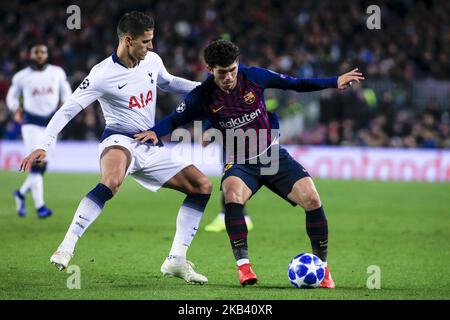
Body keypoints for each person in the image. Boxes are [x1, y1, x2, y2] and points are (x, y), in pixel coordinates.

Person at [139, 39, 364, 288]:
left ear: (238, 64)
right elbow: (174, 120)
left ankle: (322, 268)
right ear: (210, 69)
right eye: (222, 72)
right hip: (239, 163)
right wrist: (154, 132)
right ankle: (244, 267)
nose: (228, 77)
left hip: (271, 155)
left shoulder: (254, 76)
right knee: (232, 194)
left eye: (232, 70)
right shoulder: (201, 96)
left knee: (312, 198)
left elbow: (295, 84)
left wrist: (334, 81)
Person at [20, 11, 212, 284]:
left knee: (202, 185)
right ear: (128, 40)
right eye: (146, 42)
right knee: (111, 181)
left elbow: (168, 83)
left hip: (149, 142)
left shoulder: (152, 61)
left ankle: (176, 260)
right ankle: (67, 246)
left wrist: (206, 89)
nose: (152, 47)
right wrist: (43, 145)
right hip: (118, 139)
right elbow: (69, 108)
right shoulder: (102, 74)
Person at [6, 43, 72, 218]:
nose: (40, 55)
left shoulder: (57, 73)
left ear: (47, 54)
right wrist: (15, 109)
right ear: (31, 55)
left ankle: (20, 194)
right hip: (31, 123)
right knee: (37, 164)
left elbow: (66, 93)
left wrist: (65, 106)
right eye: (36, 52)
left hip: (51, 124)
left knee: (43, 166)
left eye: (43, 52)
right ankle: (40, 206)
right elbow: (11, 96)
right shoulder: (22, 76)